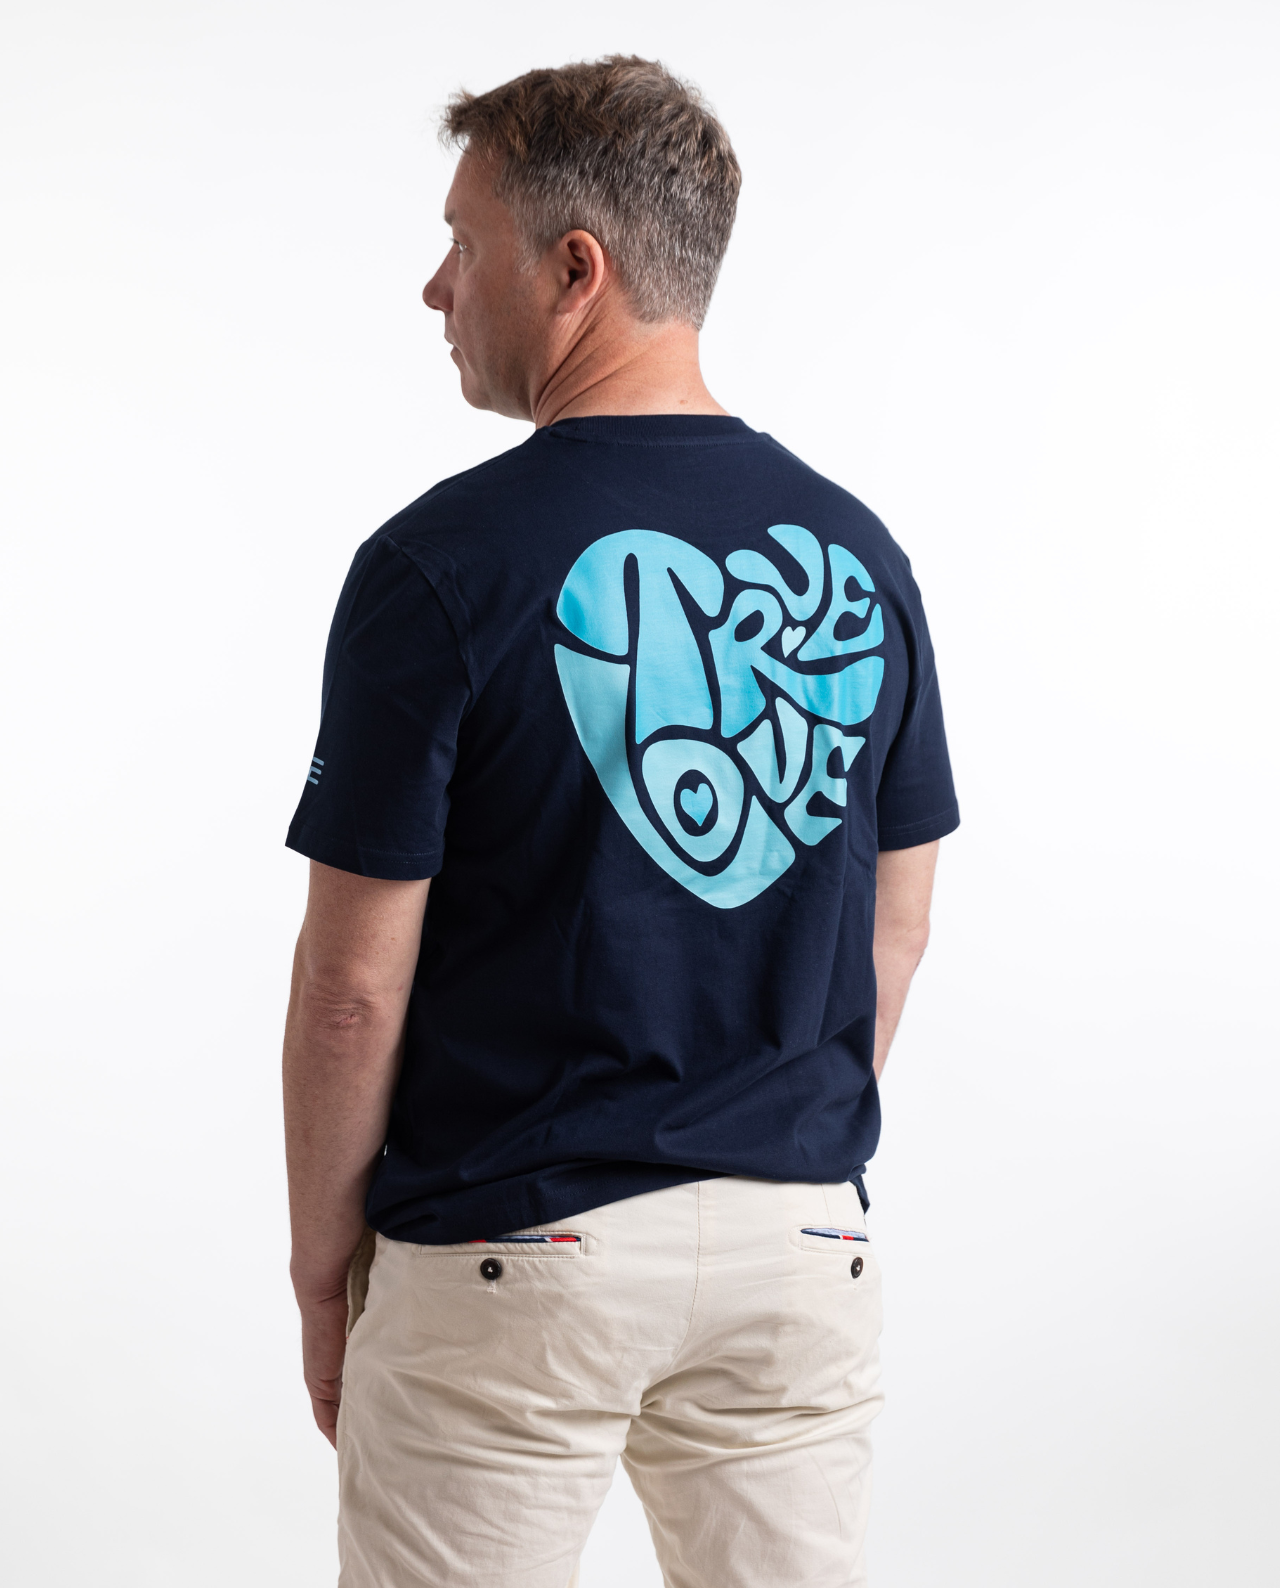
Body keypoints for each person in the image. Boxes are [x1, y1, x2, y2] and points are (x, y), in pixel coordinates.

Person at [283, 55, 958, 1588]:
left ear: (573, 269)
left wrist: (327, 1269)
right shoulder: (861, 559)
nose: (436, 288)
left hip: (520, 1241)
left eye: (463, 244)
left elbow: (351, 990)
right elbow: (899, 926)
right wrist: (765, 1143)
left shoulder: (441, 566)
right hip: (800, 1244)